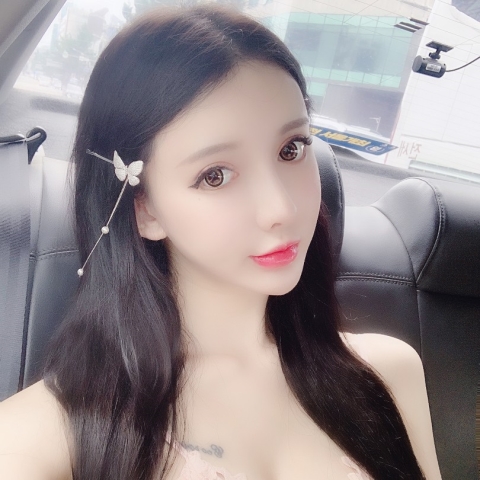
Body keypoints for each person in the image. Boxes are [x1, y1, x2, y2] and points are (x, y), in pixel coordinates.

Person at [0, 5, 442, 479]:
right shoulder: (44, 437)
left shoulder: (389, 373)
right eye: (215, 175)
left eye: (291, 148)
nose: (281, 208)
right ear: (145, 209)